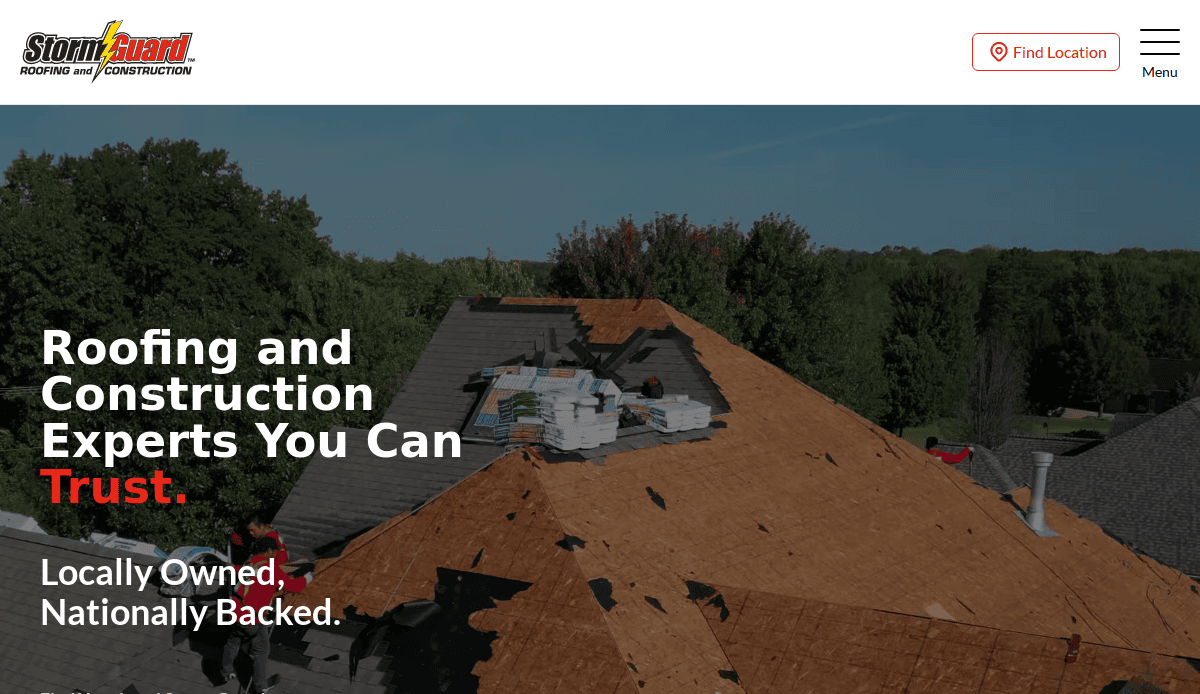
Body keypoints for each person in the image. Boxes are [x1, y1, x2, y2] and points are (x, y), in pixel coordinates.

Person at [218, 535, 311, 694]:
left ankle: (226, 671)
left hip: (235, 613)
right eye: (274, 551)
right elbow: (292, 586)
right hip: (252, 618)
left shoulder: (248, 563)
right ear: (268, 551)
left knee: (233, 642)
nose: (275, 554)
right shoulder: (270, 569)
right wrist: (307, 579)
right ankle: (260, 687)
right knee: (261, 651)